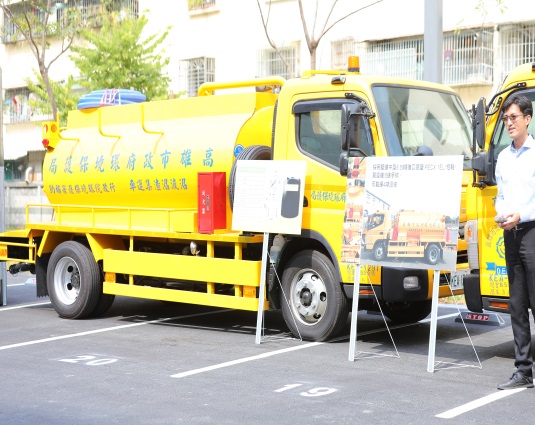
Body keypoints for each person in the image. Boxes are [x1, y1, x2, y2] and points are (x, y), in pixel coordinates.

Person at [495, 93, 535, 390]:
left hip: (533, 232)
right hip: (511, 233)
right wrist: (501, 212)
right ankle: (523, 371)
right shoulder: (503, 157)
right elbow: (500, 196)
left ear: (528, 119)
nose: (509, 123)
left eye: (514, 117)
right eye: (506, 118)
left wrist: (521, 214)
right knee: (517, 305)